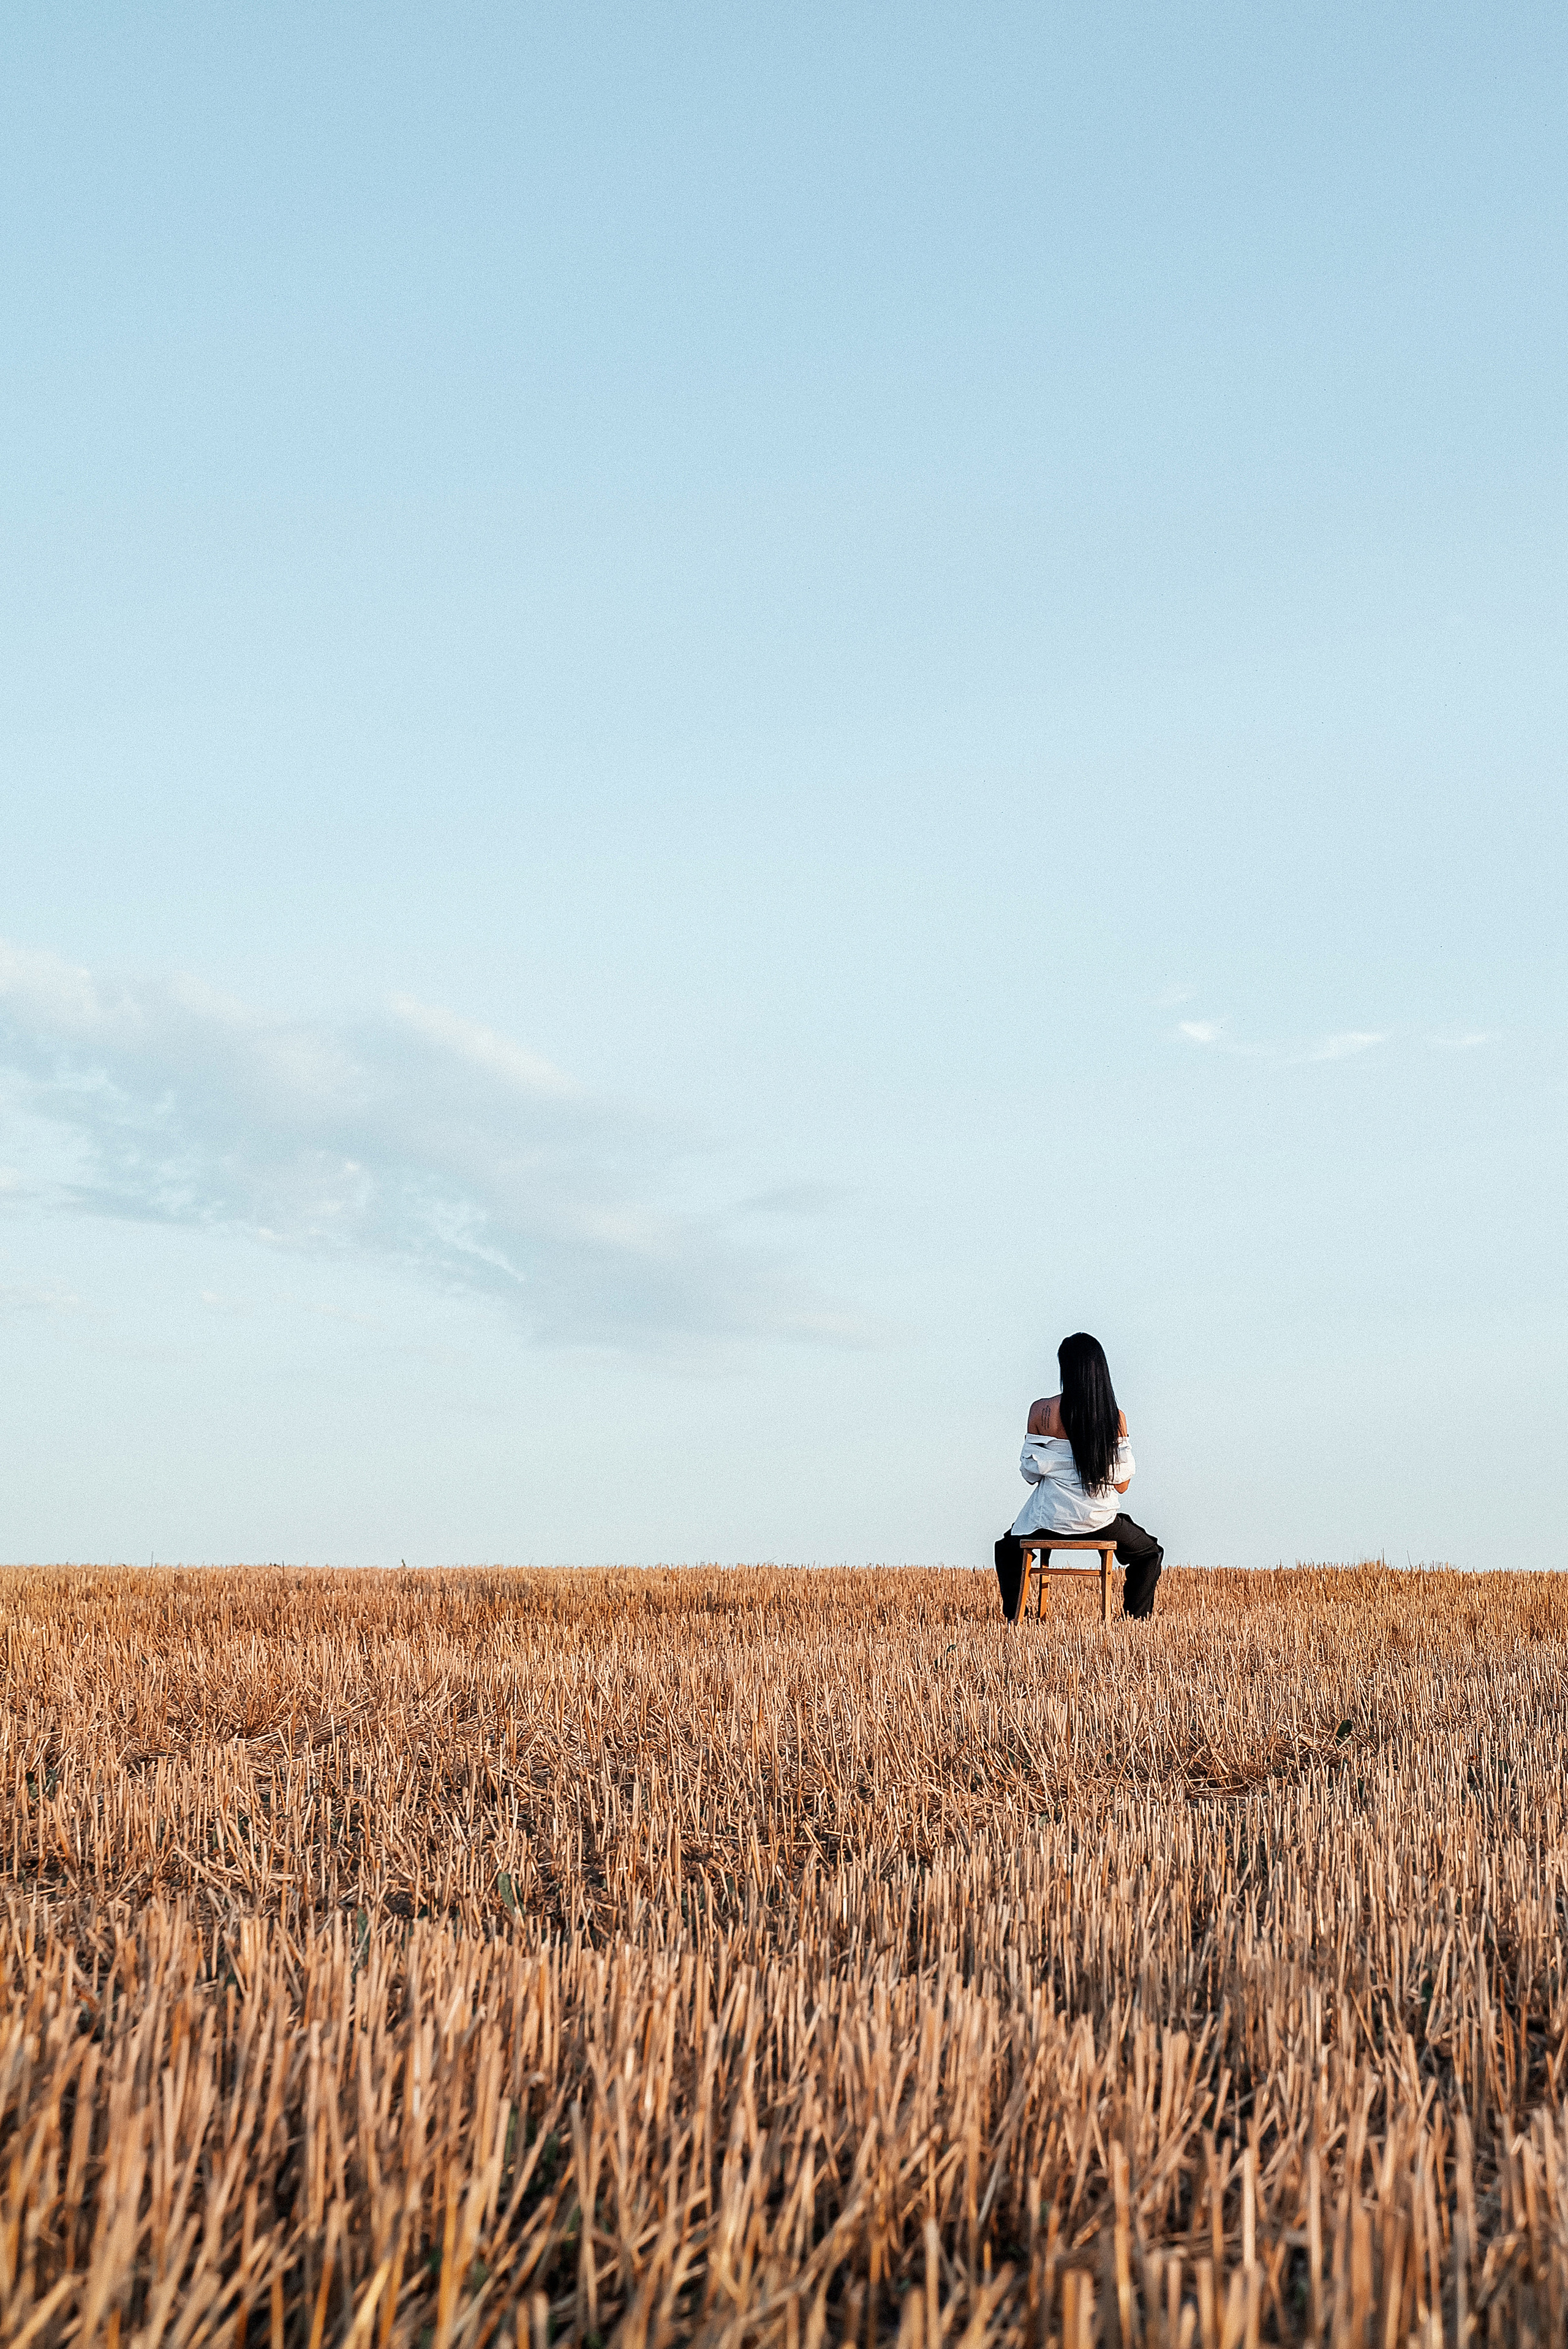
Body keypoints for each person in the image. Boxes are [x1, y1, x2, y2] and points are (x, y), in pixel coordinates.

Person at [994, 1331, 1163, 1621]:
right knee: (1150, 1553)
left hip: (1048, 1519)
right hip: (1098, 1521)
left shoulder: (1042, 1410)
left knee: (1006, 1549)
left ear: (1065, 1367)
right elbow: (1121, 1485)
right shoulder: (1115, 1417)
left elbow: (1030, 1475)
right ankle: (1135, 1620)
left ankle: (1016, 1617)